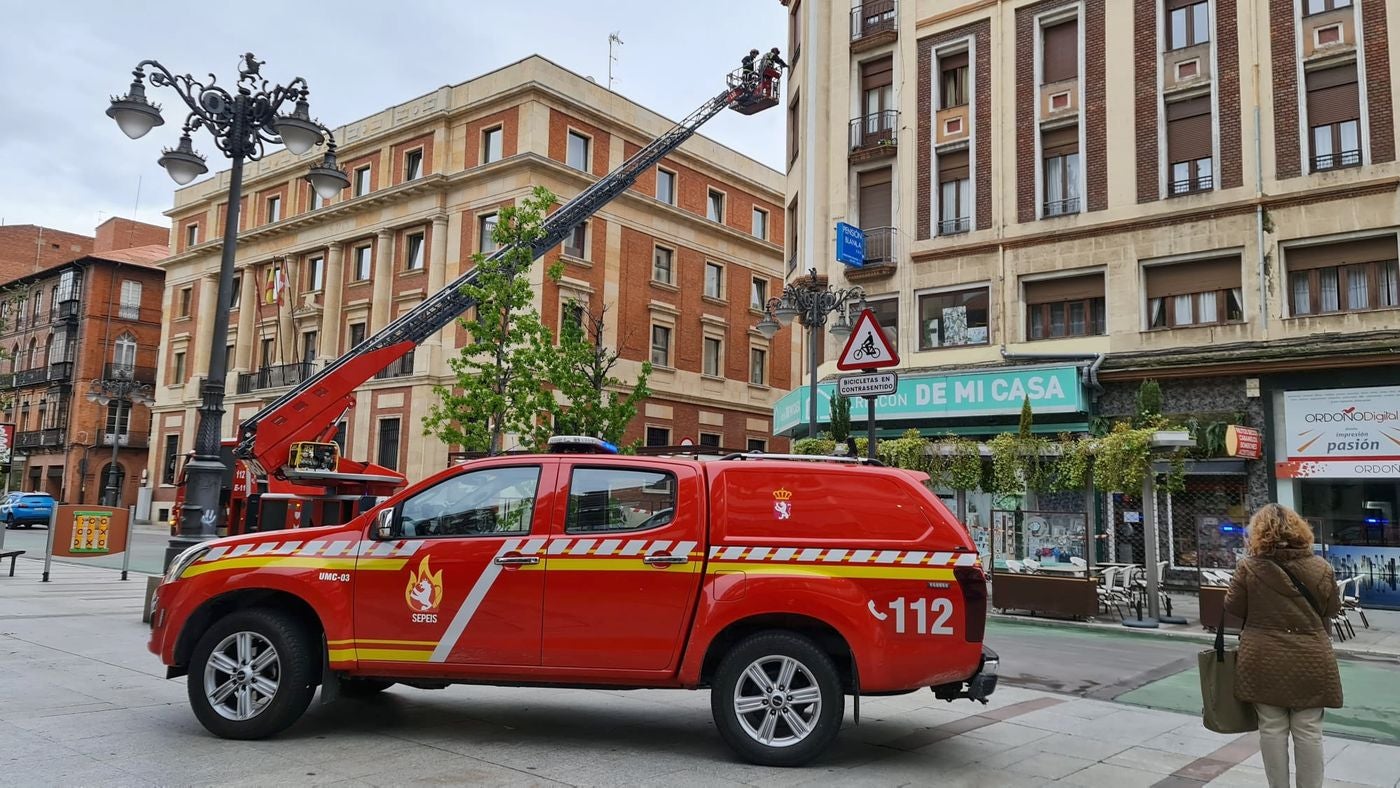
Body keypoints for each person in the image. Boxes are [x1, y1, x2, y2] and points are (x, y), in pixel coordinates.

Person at [1224, 503, 1342, 788]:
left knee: (1272, 729)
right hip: (1311, 657)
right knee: (1309, 731)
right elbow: (1332, 609)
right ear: (1300, 529)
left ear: (1258, 534)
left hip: (1263, 658)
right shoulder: (1320, 567)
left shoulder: (1249, 567)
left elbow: (1233, 606)